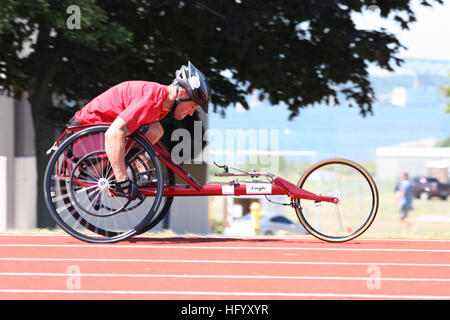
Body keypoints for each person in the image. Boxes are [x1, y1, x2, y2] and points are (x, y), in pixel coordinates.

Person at [70, 61, 211, 201]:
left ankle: (105, 171)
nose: (192, 113)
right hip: (82, 137)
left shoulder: (160, 103)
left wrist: (143, 170)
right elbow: (114, 133)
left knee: (155, 130)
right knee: (149, 131)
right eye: (193, 105)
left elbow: (138, 137)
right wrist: (122, 181)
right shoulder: (151, 99)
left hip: (93, 135)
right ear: (181, 93)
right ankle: (91, 173)